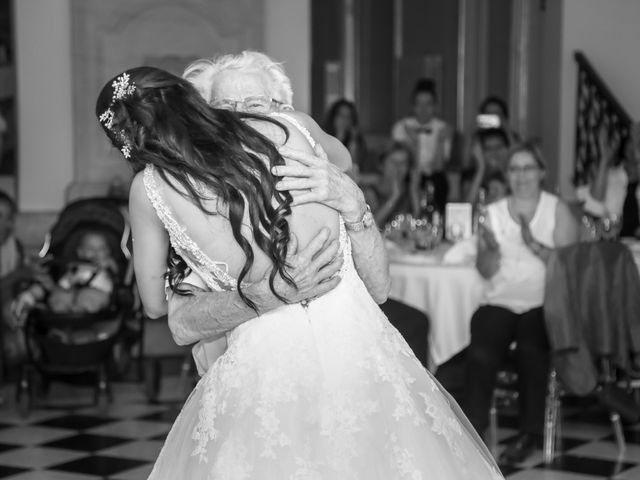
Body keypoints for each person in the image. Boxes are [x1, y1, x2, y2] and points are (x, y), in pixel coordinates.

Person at [96, 66, 503, 478]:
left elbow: (154, 305)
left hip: (271, 364)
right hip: (353, 354)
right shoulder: (296, 132)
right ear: (192, 99)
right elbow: (342, 158)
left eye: (253, 105)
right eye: (228, 106)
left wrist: (160, 240)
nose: (241, 114)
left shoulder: (151, 189)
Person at [464, 143, 579, 465]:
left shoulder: (557, 209)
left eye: (528, 168)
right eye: (515, 169)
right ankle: (475, 430)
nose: (521, 176)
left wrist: (535, 245)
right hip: (499, 300)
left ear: (542, 173)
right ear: (507, 175)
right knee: (481, 350)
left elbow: (571, 267)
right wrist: (489, 251)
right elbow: (485, 271)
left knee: (532, 349)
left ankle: (529, 433)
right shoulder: (495, 212)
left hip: (543, 302)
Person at [391, 78, 452, 216]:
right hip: (409, 172)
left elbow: (439, 167)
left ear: (435, 106)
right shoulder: (402, 127)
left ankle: (436, 220)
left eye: (428, 104)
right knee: (410, 179)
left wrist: (441, 142)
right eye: (419, 104)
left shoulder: (442, 128)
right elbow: (405, 163)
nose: (423, 109)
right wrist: (414, 144)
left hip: (433, 175)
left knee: (439, 181)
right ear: (413, 106)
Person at [462, 127, 510, 205]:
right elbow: (466, 208)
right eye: (488, 148)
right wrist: (481, 169)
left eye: (498, 147)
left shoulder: (515, 172)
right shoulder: (471, 175)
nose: (494, 153)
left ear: (506, 148)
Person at [323, 98, 367, 178]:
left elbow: (354, 167)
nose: (344, 119)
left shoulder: (355, 140)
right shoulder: (322, 135)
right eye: (341, 115)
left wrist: (353, 140)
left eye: (348, 116)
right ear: (333, 117)